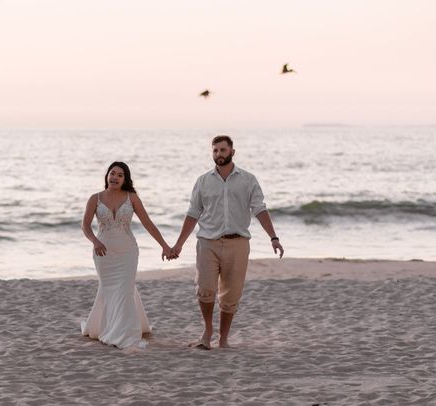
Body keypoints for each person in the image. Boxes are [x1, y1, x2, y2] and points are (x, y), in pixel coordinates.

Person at [172, 135, 284, 349]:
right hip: (207, 243)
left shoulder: (248, 180)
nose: (219, 154)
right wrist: (179, 244)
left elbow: (260, 209)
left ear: (232, 152)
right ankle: (207, 331)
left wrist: (274, 237)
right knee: (204, 288)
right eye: (215, 151)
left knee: (231, 294)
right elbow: (193, 214)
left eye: (223, 150)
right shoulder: (203, 181)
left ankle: (223, 339)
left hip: (238, 243)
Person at [81, 161, 175, 349]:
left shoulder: (132, 198)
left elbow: (147, 223)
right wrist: (95, 241)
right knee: (108, 290)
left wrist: (165, 245)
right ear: (107, 176)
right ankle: (107, 327)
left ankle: (126, 334)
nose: (115, 177)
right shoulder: (95, 198)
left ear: (125, 179)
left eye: (120, 175)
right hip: (104, 253)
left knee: (124, 290)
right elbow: (85, 226)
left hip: (127, 252)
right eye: (112, 173)